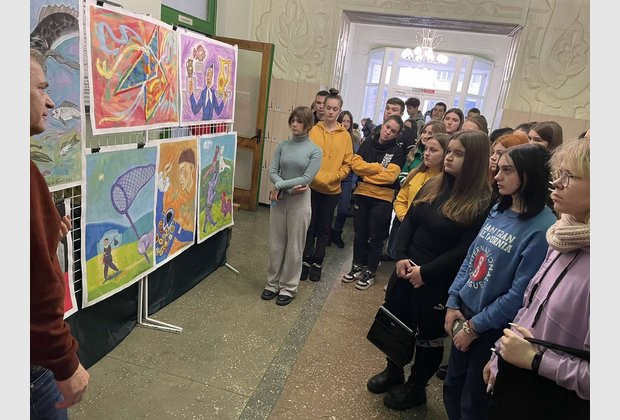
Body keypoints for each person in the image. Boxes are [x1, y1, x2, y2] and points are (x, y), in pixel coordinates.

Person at [365, 131, 493, 411]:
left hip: (437, 280)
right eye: (450, 151)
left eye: (458, 154)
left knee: (428, 337)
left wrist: (425, 272)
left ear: (474, 160)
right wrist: (401, 257)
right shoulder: (434, 183)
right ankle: (393, 371)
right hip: (406, 269)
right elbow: (410, 220)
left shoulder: (481, 201)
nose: (449, 157)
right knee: (396, 323)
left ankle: (416, 387)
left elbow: (465, 250)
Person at [442, 143, 557, 420]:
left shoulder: (543, 227)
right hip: (465, 312)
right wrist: (453, 300)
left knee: (474, 400)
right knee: (452, 386)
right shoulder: (499, 209)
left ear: (529, 175)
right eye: (499, 169)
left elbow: (519, 295)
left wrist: (474, 327)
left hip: (492, 327)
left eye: (507, 170)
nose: (496, 176)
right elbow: (472, 257)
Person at [484, 139, 590, 419]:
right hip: (518, 376)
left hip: (553, 398)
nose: (557, 184)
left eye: (570, 176)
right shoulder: (562, 236)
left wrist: (536, 360)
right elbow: (529, 308)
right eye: (558, 174)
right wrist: (498, 355)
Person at [30, 48, 90, 418]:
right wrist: (66, 363)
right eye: (41, 88)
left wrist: (45, 235)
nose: (50, 102)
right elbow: (35, 285)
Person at [261, 106, 322, 306]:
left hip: (300, 203)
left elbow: (306, 179)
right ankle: (272, 283)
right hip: (280, 200)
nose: (295, 124)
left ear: (308, 125)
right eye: (293, 120)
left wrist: (279, 186)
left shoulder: (315, 151)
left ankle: (288, 287)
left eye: (299, 121)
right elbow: (273, 171)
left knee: (295, 247)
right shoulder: (282, 146)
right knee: (276, 243)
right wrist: (283, 187)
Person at [341, 115, 405, 290]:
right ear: (383, 125)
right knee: (359, 235)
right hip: (362, 195)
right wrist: (377, 168)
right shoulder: (368, 143)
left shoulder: (397, 152)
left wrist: (366, 174)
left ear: (397, 134)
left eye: (393, 131)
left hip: (382, 200)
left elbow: (390, 177)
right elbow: (355, 165)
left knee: (376, 238)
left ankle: (370, 272)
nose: (388, 132)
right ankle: (356, 267)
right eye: (387, 127)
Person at [302, 88, 353, 281]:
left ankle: (318, 261)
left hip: (332, 189)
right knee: (309, 226)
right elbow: (305, 156)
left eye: (335, 109)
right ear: (322, 108)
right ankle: (306, 259)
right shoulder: (313, 130)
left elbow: (347, 163)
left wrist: (336, 176)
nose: (331, 112)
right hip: (312, 187)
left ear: (339, 111)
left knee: (324, 227)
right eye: (328, 107)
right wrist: (311, 175)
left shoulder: (345, 135)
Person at [155, 149, 196, 262]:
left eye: (182, 171)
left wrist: (199, 234)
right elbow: (158, 206)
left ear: (191, 168)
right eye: (179, 172)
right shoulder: (160, 217)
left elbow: (184, 235)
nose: (180, 177)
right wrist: (164, 176)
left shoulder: (175, 226)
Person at [328, 110, 359, 248]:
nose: (345, 124)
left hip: (347, 178)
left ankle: (337, 233)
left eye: (348, 121)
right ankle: (326, 233)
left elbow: (357, 162)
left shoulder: (355, 140)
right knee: (329, 208)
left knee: (343, 209)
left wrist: (353, 182)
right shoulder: (333, 136)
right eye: (343, 121)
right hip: (332, 176)